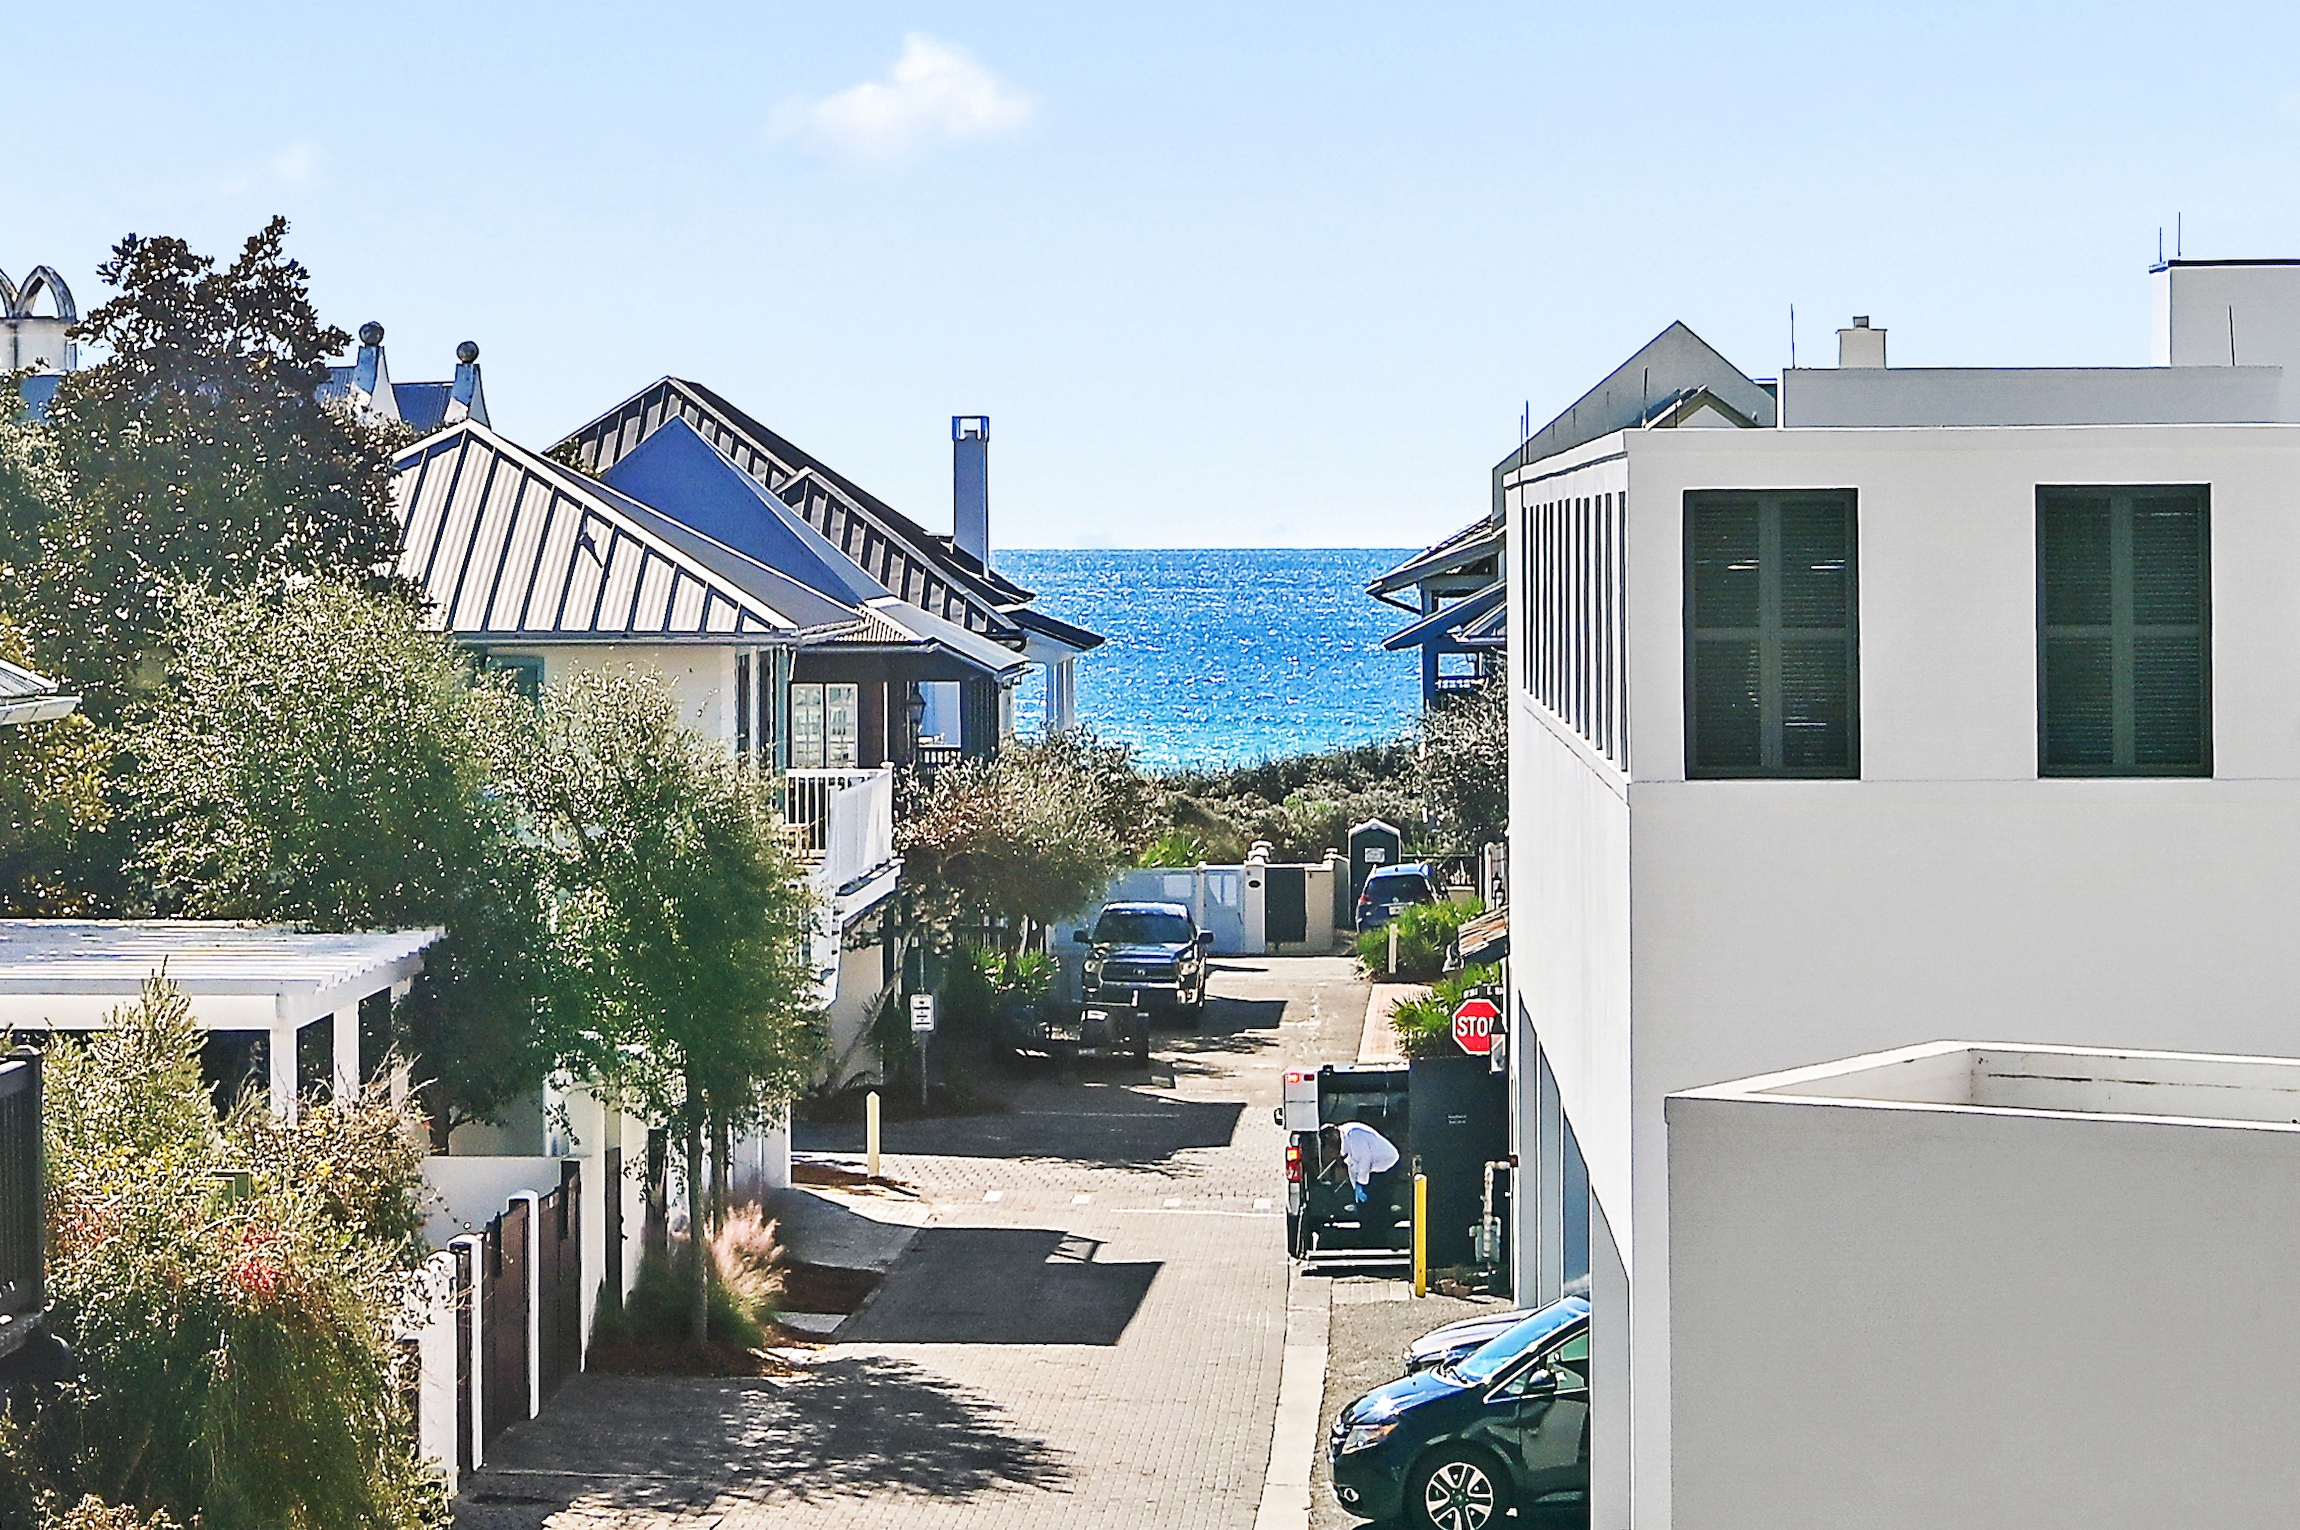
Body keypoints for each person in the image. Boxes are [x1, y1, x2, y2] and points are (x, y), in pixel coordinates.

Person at [1319, 1119, 1401, 1212]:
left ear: (1334, 1135)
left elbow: (1364, 1159)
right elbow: (1352, 1166)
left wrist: (1360, 1183)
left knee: (1379, 1202)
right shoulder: (1343, 1142)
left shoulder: (1353, 1134)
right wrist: (1355, 1188)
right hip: (1373, 1167)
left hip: (1388, 1162)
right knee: (1366, 1205)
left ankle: (1381, 1222)